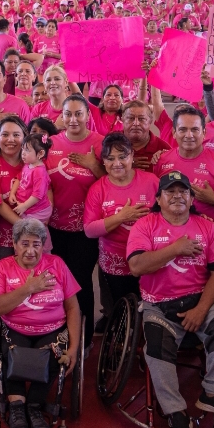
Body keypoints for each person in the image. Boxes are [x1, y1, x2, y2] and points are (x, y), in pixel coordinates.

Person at [126, 171, 214, 428]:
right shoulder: (145, 226)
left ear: (192, 199)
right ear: (158, 199)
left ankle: (213, 393)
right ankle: (175, 410)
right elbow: (136, 267)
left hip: (199, 297)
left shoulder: (206, 227)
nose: (178, 196)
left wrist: (201, 309)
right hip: (159, 304)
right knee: (156, 345)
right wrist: (175, 249)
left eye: (184, 192)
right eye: (170, 192)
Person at [0, 218, 83, 428]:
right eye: (25, 244)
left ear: (43, 245)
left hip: (53, 329)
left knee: (50, 355)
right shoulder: (3, 267)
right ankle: (17, 406)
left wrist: (75, 348)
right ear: (14, 244)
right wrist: (29, 288)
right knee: (15, 354)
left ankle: (34, 406)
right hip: (15, 327)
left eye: (36, 244)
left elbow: (73, 309)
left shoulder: (56, 264)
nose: (30, 251)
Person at [46, 94, 105, 326]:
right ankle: (60, 332)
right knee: (57, 282)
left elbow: (111, 184)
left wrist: (93, 165)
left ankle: (85, 337)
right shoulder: (51, 143)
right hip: (53, 228)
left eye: (78, 113)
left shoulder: (100, 143)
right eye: (67, 114)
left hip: (85, 230)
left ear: (87, 115)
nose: (73, 119)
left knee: (80, 282)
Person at [84, 132, 157, 319]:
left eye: (122, 157)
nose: (117, 163)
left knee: (149, 313)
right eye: (110, 159)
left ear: (132, 156)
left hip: (149, 262)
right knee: (119, 315)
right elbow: (90, 230)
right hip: (114, 265)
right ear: (104, 162)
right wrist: (122, 217)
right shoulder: (98, 189)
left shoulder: (151, 182)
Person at [153, 105, 214, 236]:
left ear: (204, 133)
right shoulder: (161, 160)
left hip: (210, 241)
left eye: (195, 129)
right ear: (174, 133)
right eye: (183, 129)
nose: (189, 135)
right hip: (170, 238)